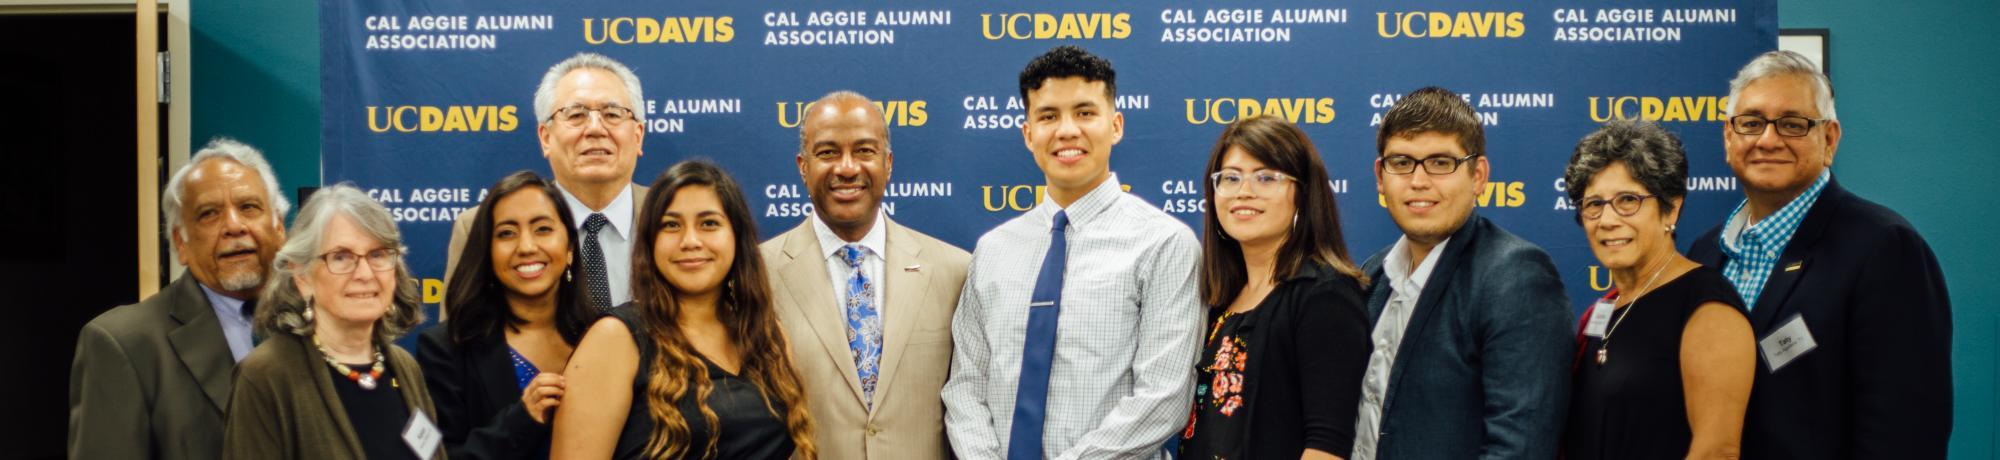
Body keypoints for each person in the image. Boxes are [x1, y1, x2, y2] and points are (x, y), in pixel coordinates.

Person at [1687, 50, 1952, 458]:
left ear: (1829, 140)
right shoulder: (1706, 253)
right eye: (1752, 123)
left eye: (1792, 124)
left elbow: (1905, 432)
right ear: (1729, 138)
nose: (1768, 140)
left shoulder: (1884, 247)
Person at [943, 44, 1203, 460]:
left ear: (1115, 125)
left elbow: (1163, 397)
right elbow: (965, 386)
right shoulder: (993, 250)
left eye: (1085, 113)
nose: (1066, 130)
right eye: (1048, 116)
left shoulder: (1164, 244)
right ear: (1028, 134)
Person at [1351, 87, 1573, 459]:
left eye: (1441, 162)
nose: (1419, 180)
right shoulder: (1373, 274)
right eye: (1402, 162)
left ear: (1478, 175)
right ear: (1380, 175)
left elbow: (1521, 447)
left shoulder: (1516, 276)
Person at [551, 161, 816, 459]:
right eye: (671, 225)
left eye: (709, 223)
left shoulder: (768, 336)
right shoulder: (616, 339)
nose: (690, 241)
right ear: (651, 241)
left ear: (736, 238)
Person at [762, 91, 971, 459]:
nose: (846, 167)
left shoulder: (953, 271)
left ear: (887, 163)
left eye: (864, 151)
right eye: (827, 152)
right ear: (802, 166)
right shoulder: (757, 274)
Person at [69, 138, 290, 459]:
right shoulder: (123, 344)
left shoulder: (316, 326)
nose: (233, 225)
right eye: (209, 214)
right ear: (180, 243)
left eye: (248, 207)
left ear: (279, 227)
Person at [1178, 115, 1372, 460]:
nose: (1244, 191)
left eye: (1266, 177)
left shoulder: (1324, 296)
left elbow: (1327, 447)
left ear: (1302, 194)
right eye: (1230, 178)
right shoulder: (1222, 302)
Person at [1561, 121, 1756, 459]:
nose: (1607, 219)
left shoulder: (1706, 305)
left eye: (1628, 200)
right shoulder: (1602, 312)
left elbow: (1716, 452)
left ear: (1671, 208)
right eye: (1594, 204)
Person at [223, 184, 437, 460]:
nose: (364, 273)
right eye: (341, 257)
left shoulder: (404, 366)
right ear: (302, 277)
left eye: (378, 255)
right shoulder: (265, 375)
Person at [449, 52, 650, 312]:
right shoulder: (481, 227)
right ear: (545, 137)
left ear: (638, 136)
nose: (595, 129)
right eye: (576, 115)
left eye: (612, 114)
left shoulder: (676, 222)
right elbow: (460, 343)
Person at [419, 171, 598, 459]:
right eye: (506, 233)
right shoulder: (446, 348)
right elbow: (437, 456)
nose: (526, 247)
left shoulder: (605, 336)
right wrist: (523, 418)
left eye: (542, 229)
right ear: (487, 253)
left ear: (570, 250)